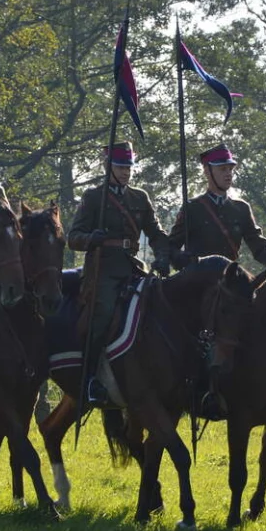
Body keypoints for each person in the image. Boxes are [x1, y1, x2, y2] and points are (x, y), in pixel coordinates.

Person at [168, 143, 266, 419]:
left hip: (231, 284)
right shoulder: (193, 208)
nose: (228, 173)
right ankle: (193, 389)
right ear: (207, 171)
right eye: (222, 168)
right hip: (200, 288)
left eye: (230, 168)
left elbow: (258, 244)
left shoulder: (241, 208)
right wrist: (184, 261)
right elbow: (170, 248)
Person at [67, 142, 170, 407]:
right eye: (121, 167)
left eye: (129, 167)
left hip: (133, 267)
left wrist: (162, 254)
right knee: (101, 313)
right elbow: (73, 238)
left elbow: (156, 232)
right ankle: (89, 378)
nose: (126, 172)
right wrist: (91, 238)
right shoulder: (93, 197)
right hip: (103, 269)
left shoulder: (140, 197)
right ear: (108, 166)